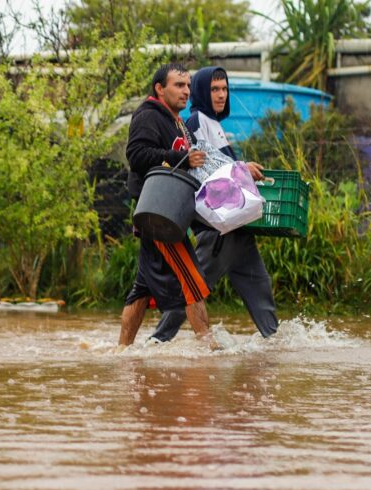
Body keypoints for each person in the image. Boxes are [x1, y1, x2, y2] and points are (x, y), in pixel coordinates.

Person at [148, 66, 278, 341]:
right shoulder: (196, 121)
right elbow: (203, 168)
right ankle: (156, 344)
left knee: (260, 288)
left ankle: (274, 344)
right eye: (214, 89)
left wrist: (241, 169)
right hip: (218, 231)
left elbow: (223, 169)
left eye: (224, 89)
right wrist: (241, 167)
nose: (221, 95)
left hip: (238, 228)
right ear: (201, 93)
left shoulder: (216, 125)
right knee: (194, 288)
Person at [119, 63, 219, 350]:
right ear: (159, 89)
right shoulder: (148, 115)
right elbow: (136, 155)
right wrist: (181, 157)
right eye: (178, 85)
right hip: (160, 213)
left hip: (167, 213)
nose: (186, 91)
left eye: (187, 85)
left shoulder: (177, 122)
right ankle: (210, 349)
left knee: (141, 289)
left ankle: (122, 352)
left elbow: (191, 161)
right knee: (193, 280)